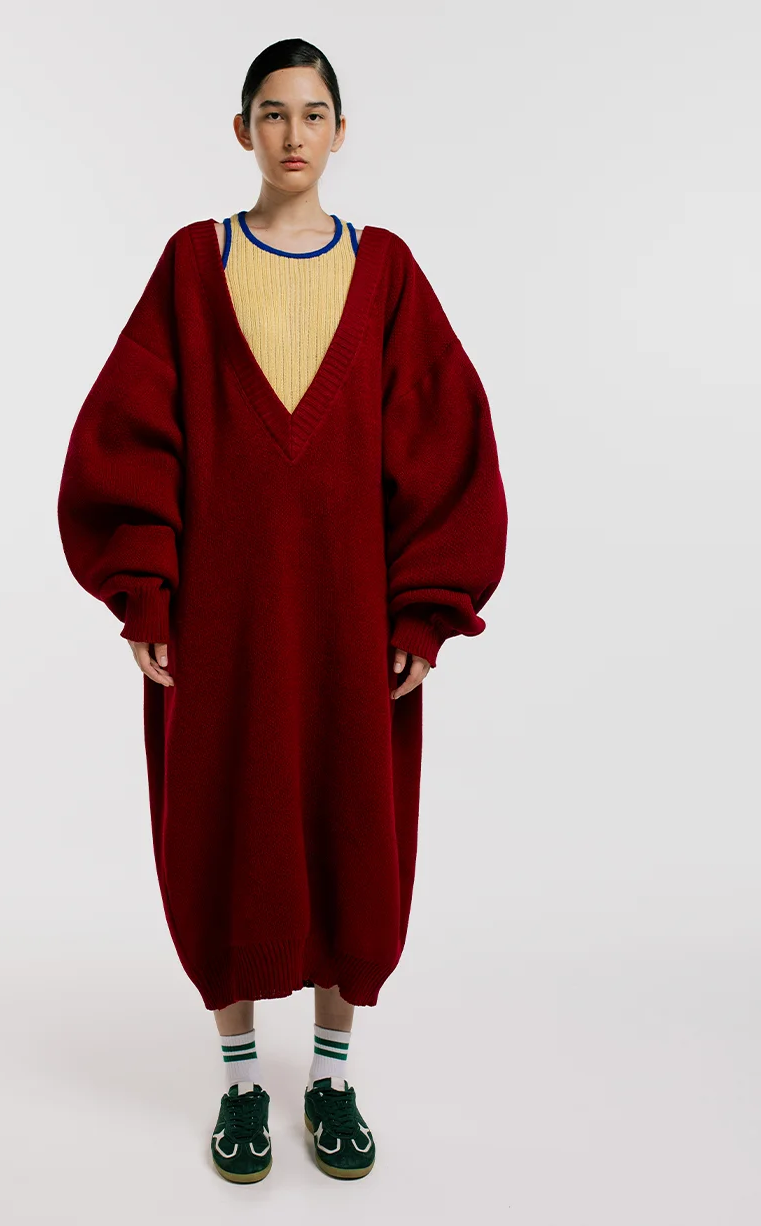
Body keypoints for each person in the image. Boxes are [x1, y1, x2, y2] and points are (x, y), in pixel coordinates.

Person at [57, 38, 508, 1184]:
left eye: (312, 113)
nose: (293, 134)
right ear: (241, 130)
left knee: (351, 830)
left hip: (350, 622)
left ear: (341, 132)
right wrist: (144, 590)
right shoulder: (191, 264)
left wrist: (422, 613)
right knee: (227, 826)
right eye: (272, 112)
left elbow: (445, 443)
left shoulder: (386, 271)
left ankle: (333, 1075)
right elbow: (132, 434)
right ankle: (241, 1081)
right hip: (221, 621)